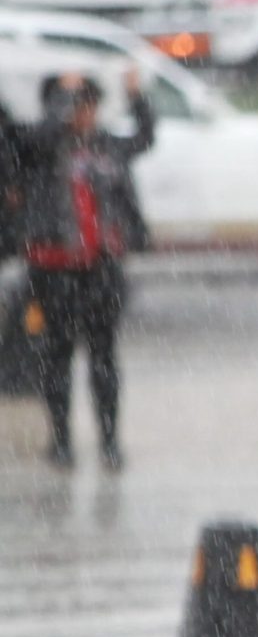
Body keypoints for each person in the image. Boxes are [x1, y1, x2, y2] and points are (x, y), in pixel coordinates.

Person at [21, 71, 153, 469]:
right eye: (78, 106)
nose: (85, 114)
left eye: (90, 104)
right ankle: (61, 440)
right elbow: (30, 141)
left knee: (104, 358)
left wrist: (136, 96)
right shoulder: (43, 147)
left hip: (101, 268)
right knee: (57, 356)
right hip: (55, 268)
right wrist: (63, 97)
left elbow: (145, 138)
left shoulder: (107, 146)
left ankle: (109, 440)